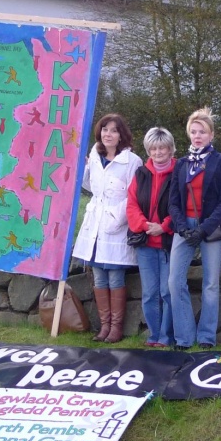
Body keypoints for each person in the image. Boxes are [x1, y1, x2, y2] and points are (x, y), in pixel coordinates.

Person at [168, 108, 221, 350]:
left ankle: (206, 336)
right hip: (184, 227)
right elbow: (173, 200)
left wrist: (204, 229)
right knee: (175, 281)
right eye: (193, 132)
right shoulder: (182, 164)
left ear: (211, 134)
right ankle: (184, 337)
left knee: (211, 283)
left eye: (202, 132)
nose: (197, 136)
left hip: (211, 227)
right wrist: (183, 227)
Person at [73, 114, 142, 344]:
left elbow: (135, 194)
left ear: (121, 134)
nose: (108, 134)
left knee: (115, 276)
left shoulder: (132, 161)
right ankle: (104, 327)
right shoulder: (94, 156)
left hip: (117, 223)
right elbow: (89, 185)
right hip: (95, 223)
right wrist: (82, 167)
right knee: (99, 278)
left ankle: (116, 328)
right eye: (105, 130)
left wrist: (117, 218)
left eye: (113, 130)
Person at [126, 127, 177, 348]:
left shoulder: (179, 172)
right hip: (145, 242)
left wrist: (164, 227)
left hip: (168, 242)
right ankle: (153, 335)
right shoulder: (141, 174)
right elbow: (131, 204)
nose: (158, 152)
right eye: (153, 148)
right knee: (149, 293)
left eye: (162, 147)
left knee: (167, 292)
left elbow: (182, 207)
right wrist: (145, 225)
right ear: (148, 149)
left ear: (171, 149)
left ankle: (166, 336)